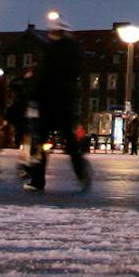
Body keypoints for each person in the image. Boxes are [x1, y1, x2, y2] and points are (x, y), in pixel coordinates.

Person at [27, 25, 91, 193]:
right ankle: (81, 172)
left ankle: (37, 180)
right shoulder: (74, 52)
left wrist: (33, 95)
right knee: (70, 143)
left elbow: (43, 76)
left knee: (41, 142)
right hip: (66, 104)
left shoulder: (51, 51)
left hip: (48, 103)